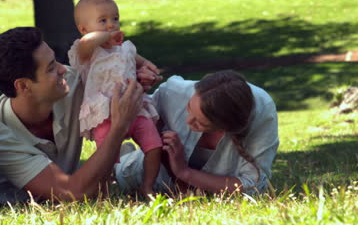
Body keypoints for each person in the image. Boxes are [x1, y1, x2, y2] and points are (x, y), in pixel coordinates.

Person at [0, 27, 161, 204]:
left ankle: (125, 159)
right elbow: (73, 193)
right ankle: (124, 160)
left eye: (56, 61)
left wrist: (136, 79)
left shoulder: (73, 82)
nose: (63, 69)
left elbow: (115, 82)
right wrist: (119, 127)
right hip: (30, 203)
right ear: (24, 86)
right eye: (50, 68)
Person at [116, 70, 279, 195]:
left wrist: (184, 172)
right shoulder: (174, 92)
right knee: (124, 174)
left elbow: (252, 186)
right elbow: (138, 122)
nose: (188, 121)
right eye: (189, 108)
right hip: (157, 174)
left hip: (212, 186)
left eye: (200, 123)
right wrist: (136, 85)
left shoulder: (262, 113)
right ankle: (126, 155)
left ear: (226, 128)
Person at [68, 0, 162, 195]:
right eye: (103, 21)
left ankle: (147, 186)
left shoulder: (125, 49)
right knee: (106, 157)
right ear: (84, 29)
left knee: (154, 146)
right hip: (105, 115)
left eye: (115, 19)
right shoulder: (86, 53)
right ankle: (104, 190)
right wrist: (105, 37)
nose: (111, 25)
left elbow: (140, 62)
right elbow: (86, 42)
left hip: (135, 109)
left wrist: (148, 68)